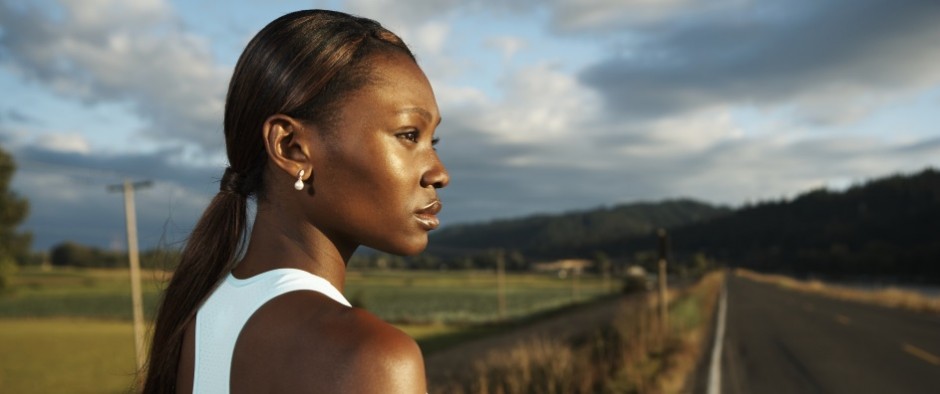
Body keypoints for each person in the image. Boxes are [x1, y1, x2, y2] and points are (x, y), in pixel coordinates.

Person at [143, 9, 448, 393]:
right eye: (408, 135)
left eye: (432, 141)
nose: (439, 172)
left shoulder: (200, 321)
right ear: (291, 147)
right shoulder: (374, 357)